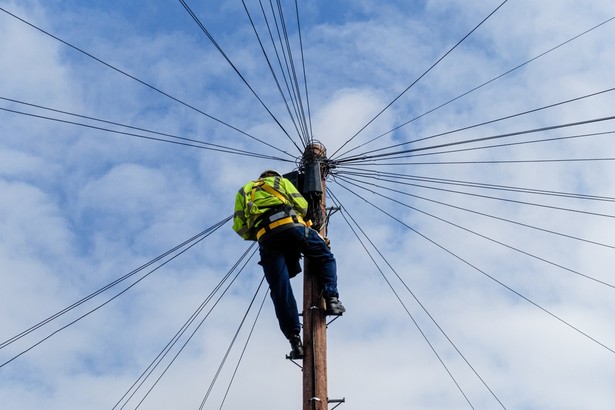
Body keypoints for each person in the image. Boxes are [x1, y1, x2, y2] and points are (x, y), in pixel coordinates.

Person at [232, 169, 345, 359]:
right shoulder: (281, 182)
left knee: (280, 288)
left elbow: (240, 227)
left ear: (260, 178)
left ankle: (295, 341)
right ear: (274, 176)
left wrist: (261, 231)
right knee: (325, 256)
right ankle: (332, 299)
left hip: (266, 238)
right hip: (291, 226)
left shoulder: (244, 191)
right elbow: (302, 205)